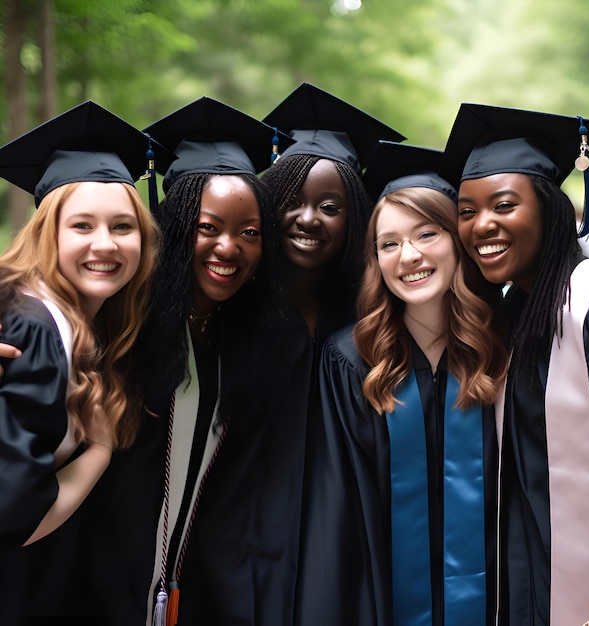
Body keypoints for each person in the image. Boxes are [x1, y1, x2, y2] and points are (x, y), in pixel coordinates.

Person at [175, 83, 405, 625]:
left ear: (356, 219)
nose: (309, 218)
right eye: (291, 202)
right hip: (232, 533)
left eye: (330, 207)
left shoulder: (367, 316)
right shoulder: (231, 302)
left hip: (336, 534)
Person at [93, 96, 292, 626]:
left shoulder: (247, 340)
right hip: (93, 583)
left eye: (250, 233)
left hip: (189, 588)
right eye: (208, 227)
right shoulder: (117, 326)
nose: (229, 248)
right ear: (177, 227)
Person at [296, 140, 508, 626]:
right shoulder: (350, 360)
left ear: (457, 240)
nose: (408, 256)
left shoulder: (503, 345)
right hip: (380, 603)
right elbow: (337, 513)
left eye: (426, 234)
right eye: (389, 243)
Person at [440, 103, 589, 626]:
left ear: (548, 208)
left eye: (503, 205)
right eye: (468, 211)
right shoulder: (512, 318)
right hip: (526, 590)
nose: (482, 226)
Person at [0, 101, 160, 624]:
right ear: (49, 232)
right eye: (82, 226)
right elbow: (14, 519)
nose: (105, 244)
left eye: (122, 226)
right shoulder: (38, 330)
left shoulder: (84, 326)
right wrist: (99, 450)